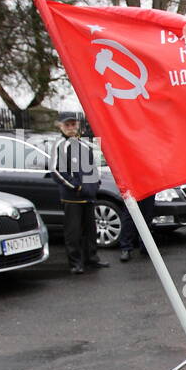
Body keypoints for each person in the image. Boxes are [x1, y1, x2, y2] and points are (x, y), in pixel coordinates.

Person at [50, 113, 108, 274]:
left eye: (73, 125)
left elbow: (92, 168)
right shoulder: (60, 145)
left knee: (90, 229)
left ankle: (91, 258)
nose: (70, 128)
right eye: (67, 125)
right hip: (72, 198)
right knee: (73, 232)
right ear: (60, 126)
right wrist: (77, 187)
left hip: (88, 197)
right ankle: (75, 262)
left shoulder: (84, 145)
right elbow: (56, 170)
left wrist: (95, 184)